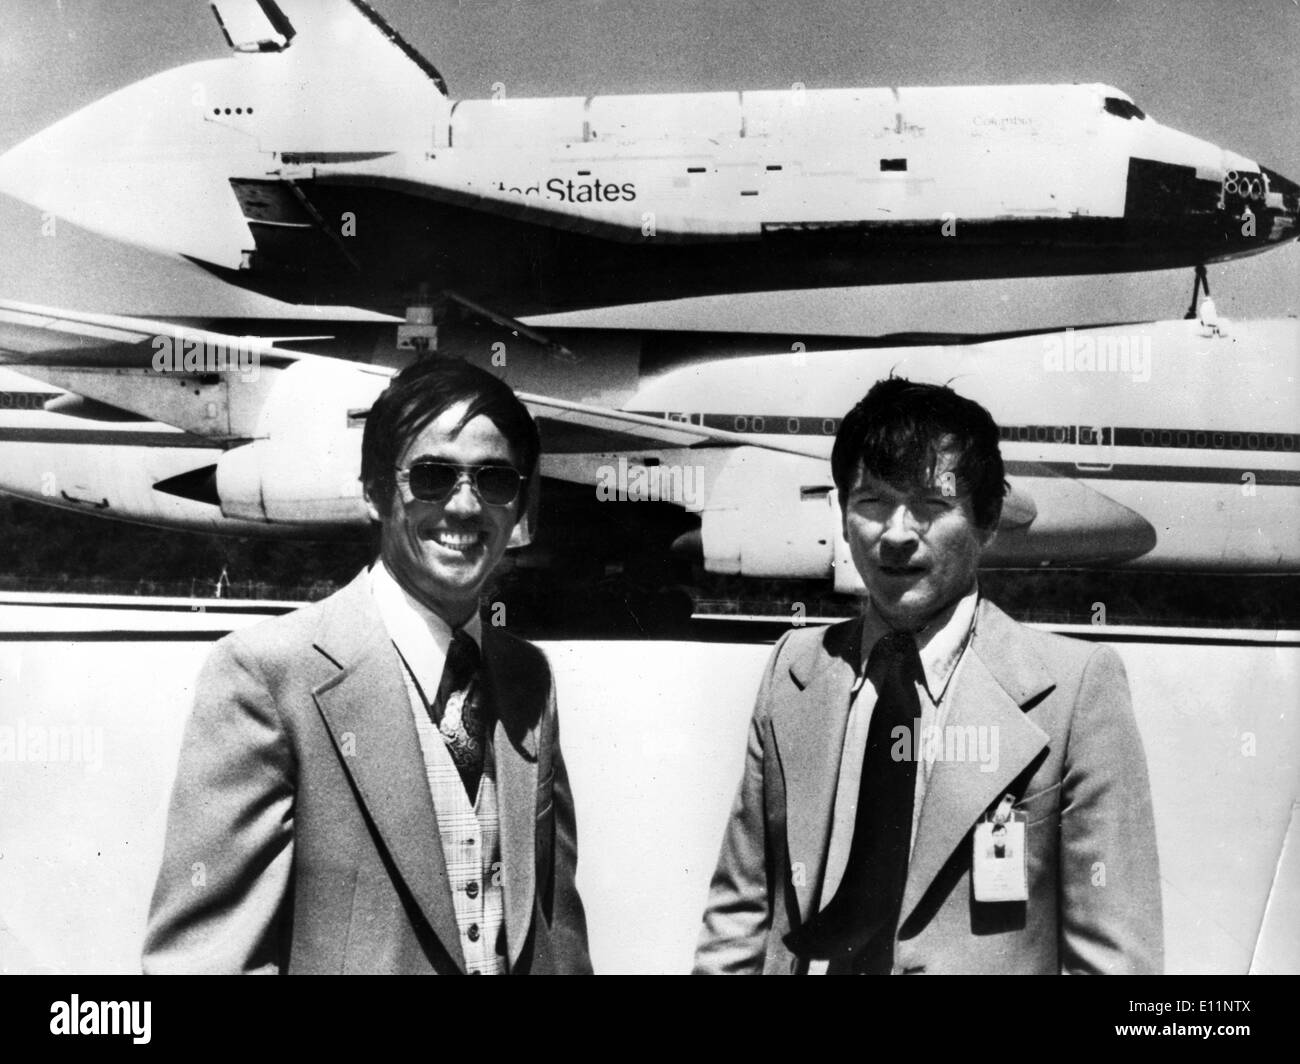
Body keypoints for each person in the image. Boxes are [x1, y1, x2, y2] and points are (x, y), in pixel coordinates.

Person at [694, 377, 1162, 975]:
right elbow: (739, 917)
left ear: (987, 520)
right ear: (841, 517)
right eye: (871, 503)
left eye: (931, 506)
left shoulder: (1074, 690)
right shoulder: (795, 670)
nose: (895, 534)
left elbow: (1115, 962)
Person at [144, 358, 591, 974]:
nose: (465, 506)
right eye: (433, 477)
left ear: (519, 507)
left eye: (494, 480)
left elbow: (556, 936)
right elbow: (206, 962)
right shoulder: (269, 677)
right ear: (376, 491)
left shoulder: (527, 679)